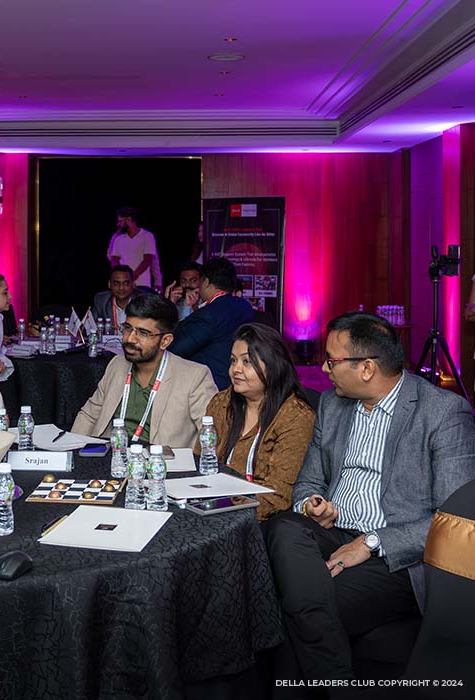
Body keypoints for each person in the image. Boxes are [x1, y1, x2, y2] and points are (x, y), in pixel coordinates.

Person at [264, 312, 475, 686]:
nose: (323, 369)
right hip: (331, 531)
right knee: (283, 525)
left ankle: (334, 685)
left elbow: (453, 522)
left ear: (366, 368)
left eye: (332, 360)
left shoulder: (442, 412)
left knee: (298, 606)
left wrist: (371, 543)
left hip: (396, 556)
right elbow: (308, 481)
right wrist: (312, 503)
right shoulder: (332, 405)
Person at [201, 323, 315, 520]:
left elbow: (278, 496)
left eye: (247, 362)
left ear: (273, 365)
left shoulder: (295, 416)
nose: (236, 369)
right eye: (233, 360)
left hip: (259, 519)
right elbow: (201, 460)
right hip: (212, 505)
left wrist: (227, 511)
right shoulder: (221, 402)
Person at [72, 293, 217, 446]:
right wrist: (70, 450)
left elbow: (211, 434)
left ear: (165, 341)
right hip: (112, 454)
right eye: (128, 328)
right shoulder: (117, 364)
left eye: (143, 333)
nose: (130, 339)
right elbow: (89, 415)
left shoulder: (194, 377)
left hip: (160, 458)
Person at [168, 256, 253, 390]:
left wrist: (169, 309)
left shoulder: (208, 314)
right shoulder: (244, 306)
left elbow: (174, 349)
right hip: (237, 381)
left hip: (211, 386)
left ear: (206, 282)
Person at [107, 206, 161, 289]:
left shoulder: (147, 236)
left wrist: (133, 276)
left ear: (128, 219)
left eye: (120, 221)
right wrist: (122, 276)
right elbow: (113, 259)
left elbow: (148, 260)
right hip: (123, 285)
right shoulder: (118, 238)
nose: (118, 224)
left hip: (142, 285)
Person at [89, 265, 145, 333]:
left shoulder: (144, 301)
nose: (121, 288)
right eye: (116, 283)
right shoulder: (101, 301)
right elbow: (90, 329)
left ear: (133, 284)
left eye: (126, 283)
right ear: (109, 284)